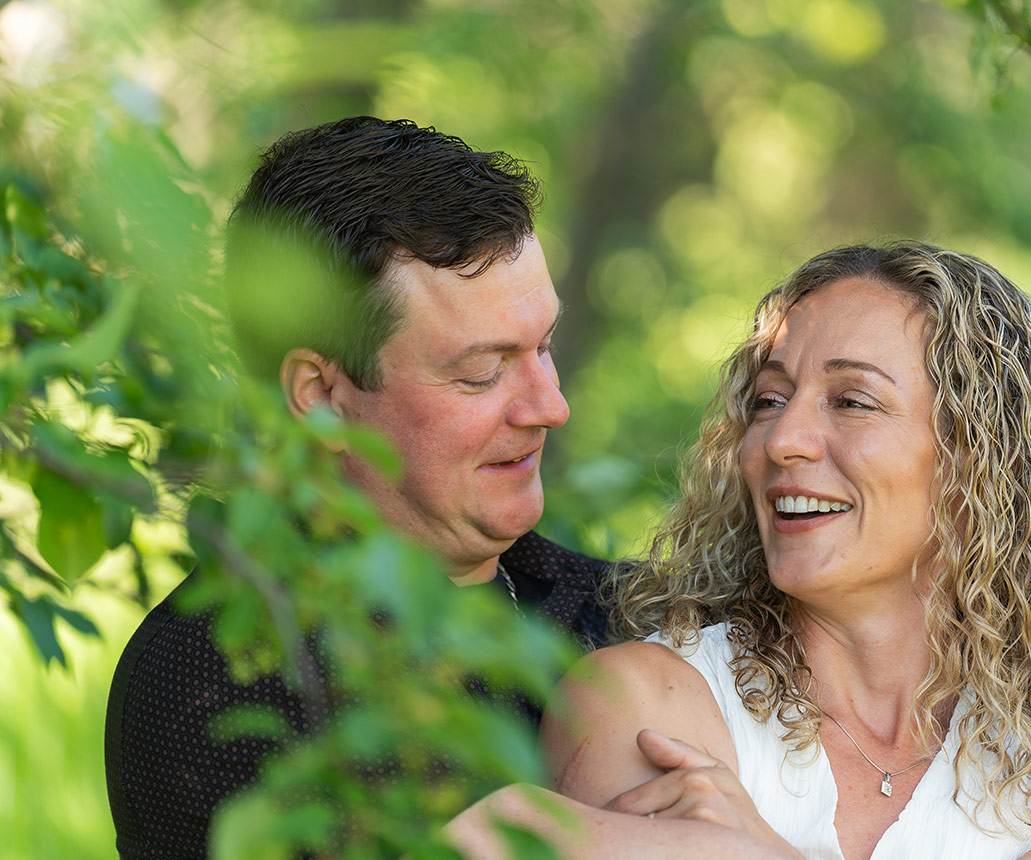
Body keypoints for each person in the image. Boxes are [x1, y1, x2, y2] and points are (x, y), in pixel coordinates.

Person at [105, 116, 797, 860]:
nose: (548, 407)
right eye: (482, 372)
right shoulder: (208, 684)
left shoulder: (635, 613)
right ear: (320, 395)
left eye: (544, 347)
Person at [543, 242, 1031, 860]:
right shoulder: (642, 706)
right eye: (769, 400)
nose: (783, 440)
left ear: (981, 467)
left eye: (853, 401)